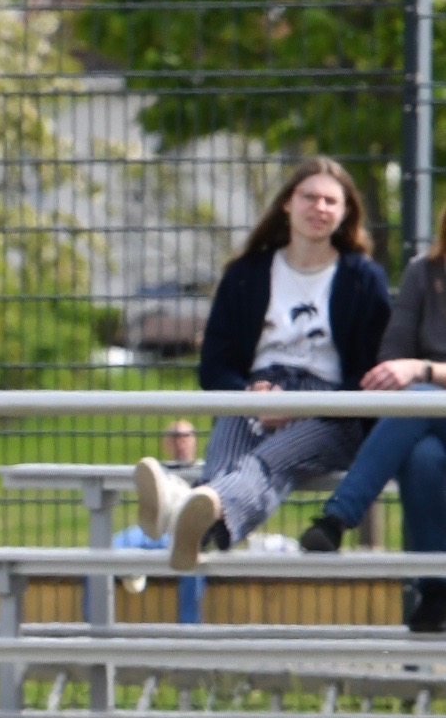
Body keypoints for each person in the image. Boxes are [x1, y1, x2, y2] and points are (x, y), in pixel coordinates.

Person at [136, 158, 391, 572]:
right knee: (225, 458)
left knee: (266, 462)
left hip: (330, 406)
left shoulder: (364, 278)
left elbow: (369, 376)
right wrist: (248, 394)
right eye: (309, 196)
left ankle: (181, 505)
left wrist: (300, 407)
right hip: (255, 391)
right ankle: (198, 523)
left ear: (346, 213)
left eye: (331, 200)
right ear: (288, 203)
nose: (319, 207)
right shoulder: (246, 273)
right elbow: (214, 364)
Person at [299, 205, 446, 631]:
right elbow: (391, 358)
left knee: (418, 398)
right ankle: (437, 593)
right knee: (424, 458)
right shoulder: (424, 274)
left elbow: (409, 370)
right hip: (425, 420)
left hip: (422, 399)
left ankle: (338, 516)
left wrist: (426, 372)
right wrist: (415, 375)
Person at [116, 420, 206, 623]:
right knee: (105, 551)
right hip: (153, 530)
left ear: (195, 441)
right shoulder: (156, 471)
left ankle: (189, 633)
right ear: (166, 443)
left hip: (184, 532)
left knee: (192, 558)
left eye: (186, 436)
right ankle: (97, 634)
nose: (180, 442)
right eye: (175, 437)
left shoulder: (206, 470)